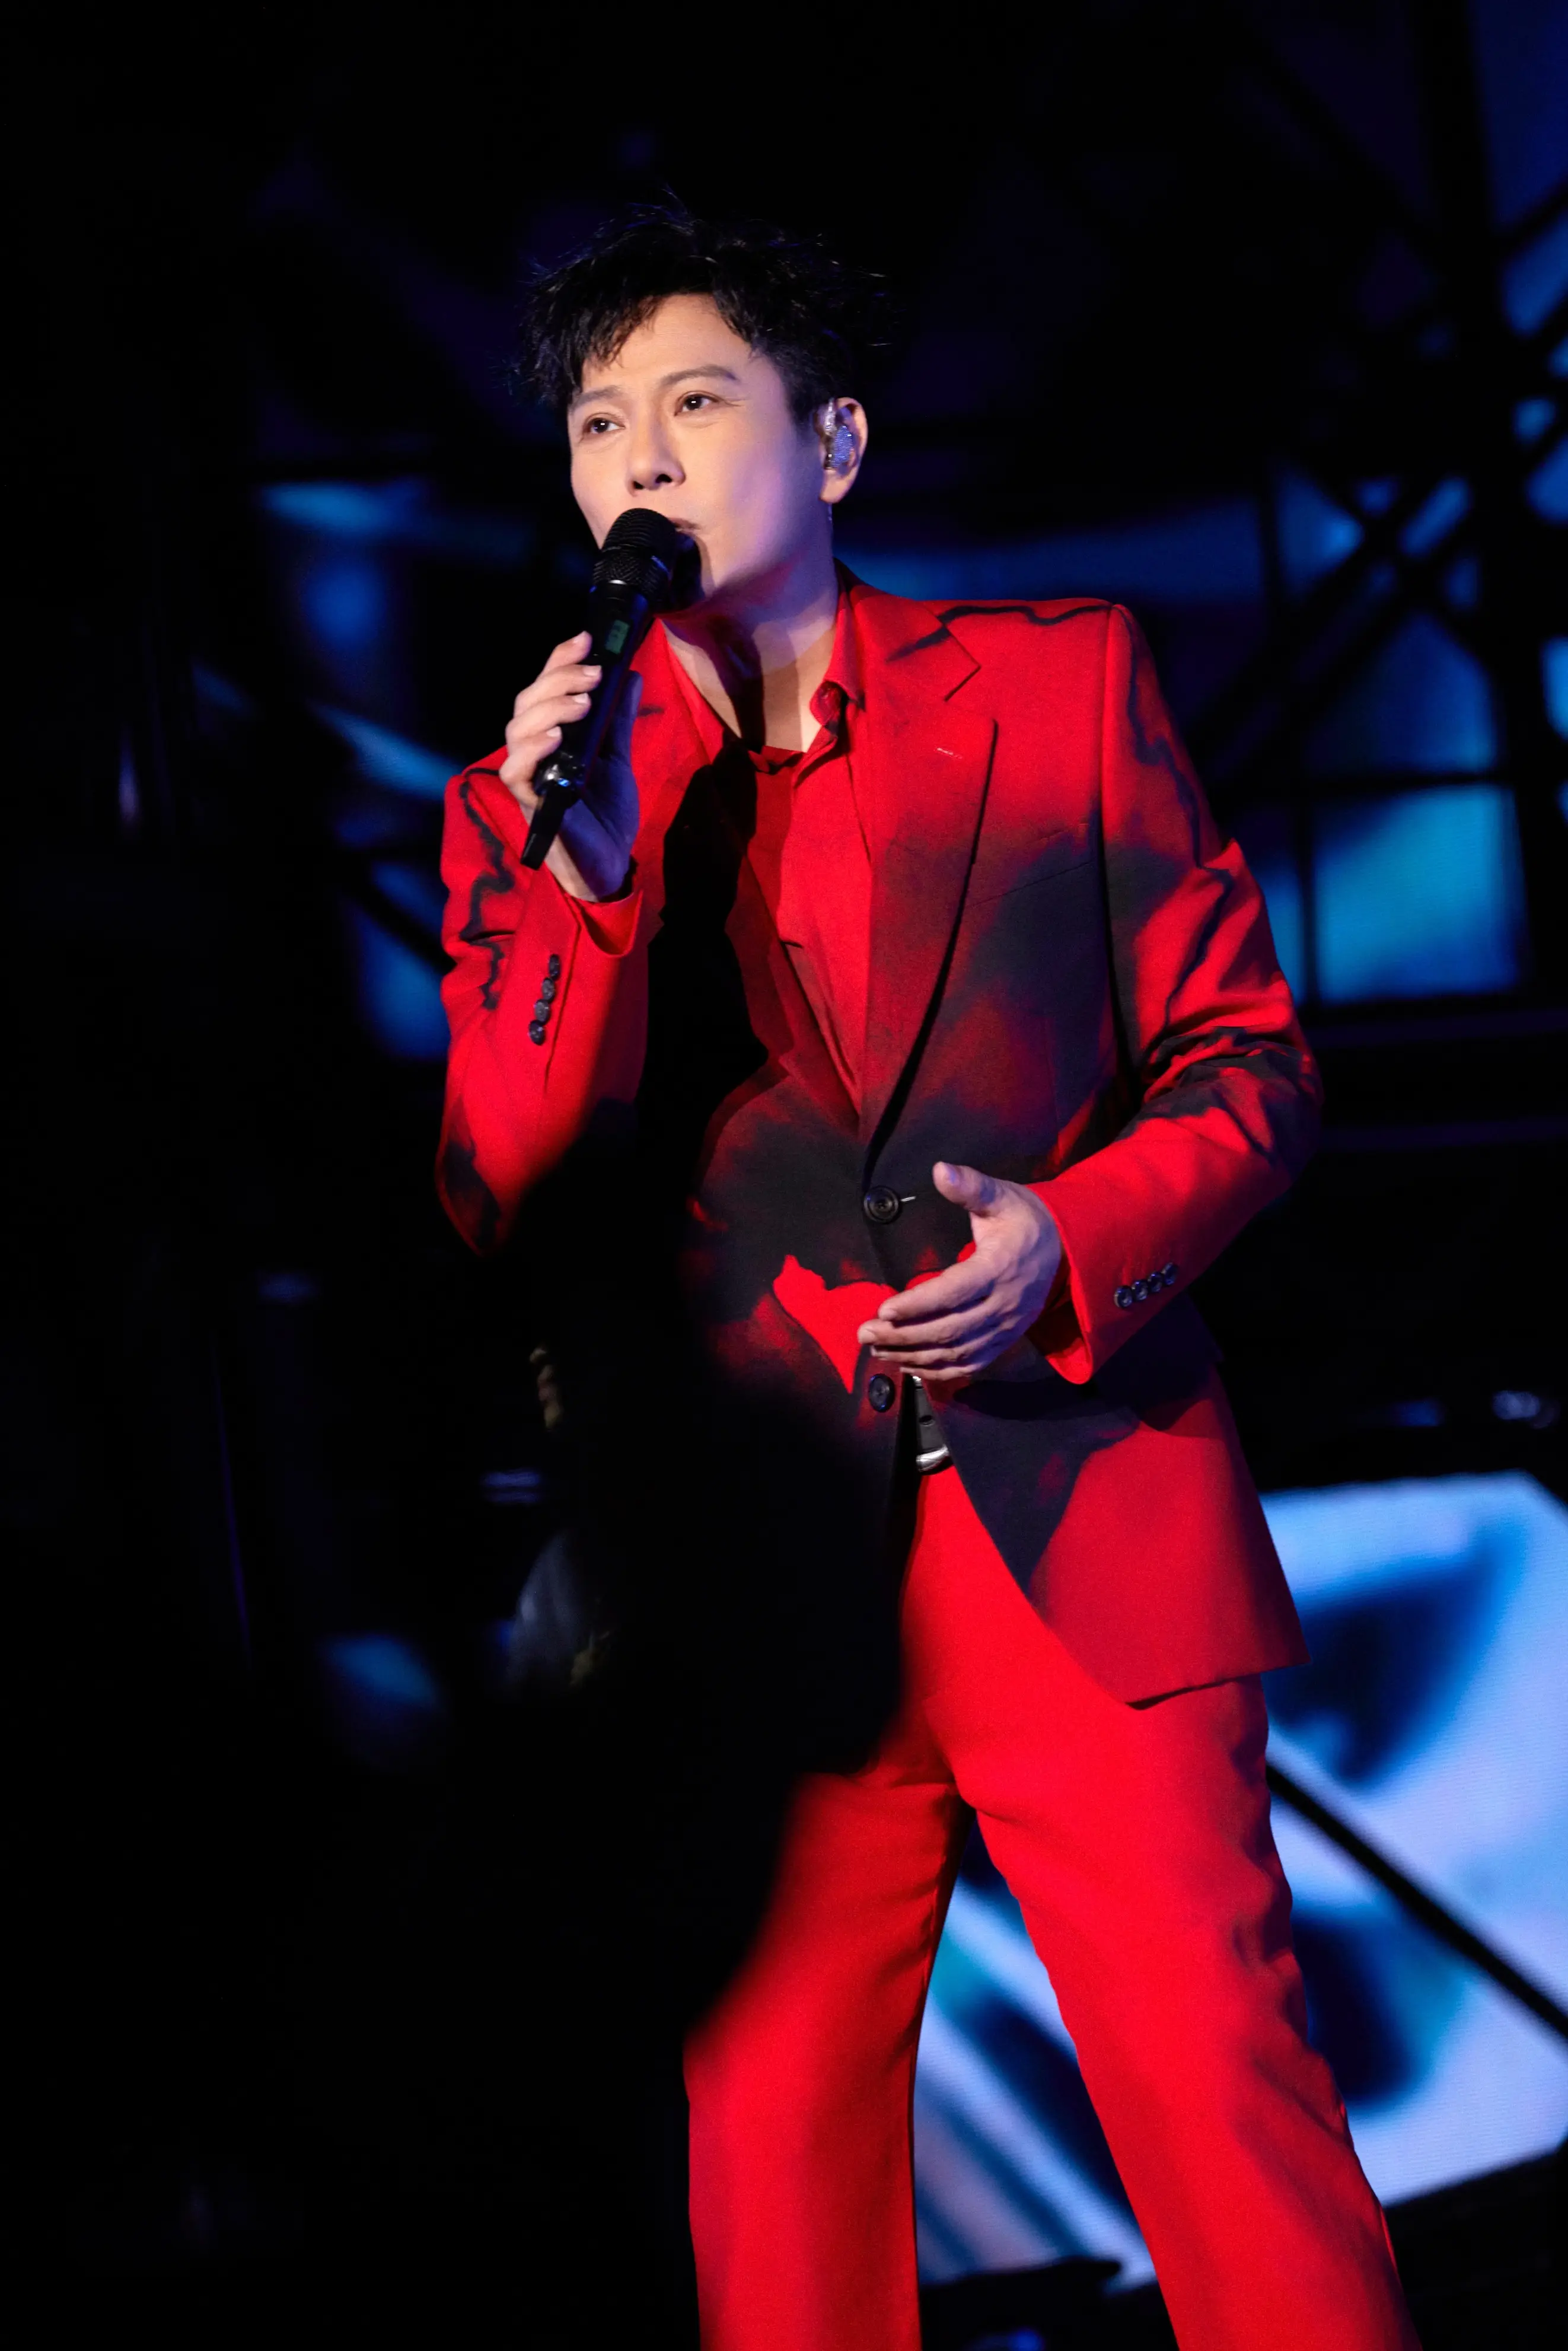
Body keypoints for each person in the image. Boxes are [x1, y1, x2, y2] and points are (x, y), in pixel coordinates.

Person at [436, 207, 1417, 2351]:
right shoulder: (536, 801)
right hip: (756, 1573)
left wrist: (1075, 1236)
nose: (641, 459)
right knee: (773, 2180)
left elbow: (1245, 1067)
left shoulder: (1061, 685)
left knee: (1223, 2112)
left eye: (697, 401)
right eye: (598, 424)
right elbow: (508, 1193)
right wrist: (578, 890)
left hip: (1074, 1510)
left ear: (836, 443)